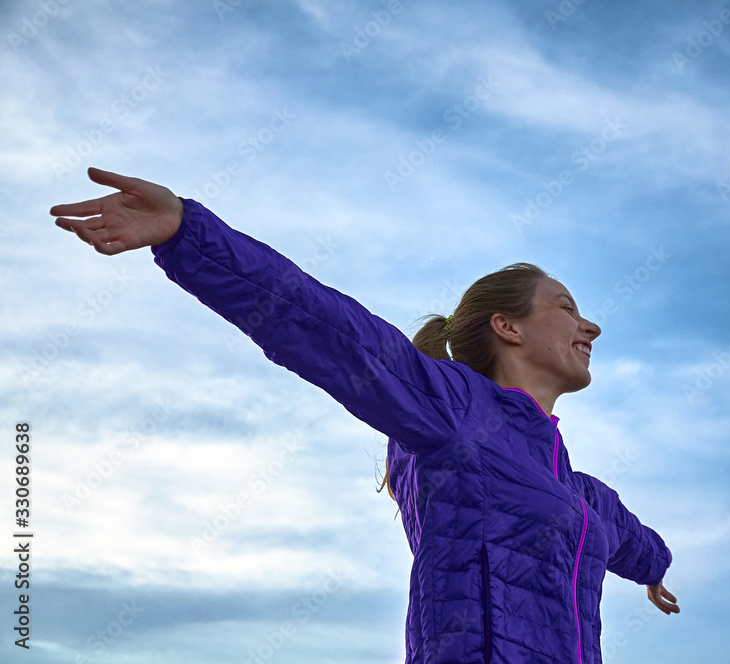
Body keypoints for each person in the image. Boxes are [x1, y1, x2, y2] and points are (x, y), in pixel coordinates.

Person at [52, 167, 678, 663]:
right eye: (567, 308)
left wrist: (654, 571)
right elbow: (327, 328)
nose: (590, 323)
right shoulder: (454, 411)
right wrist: (190, 235)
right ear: (508, 326)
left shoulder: (575, 491)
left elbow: (628, 535)